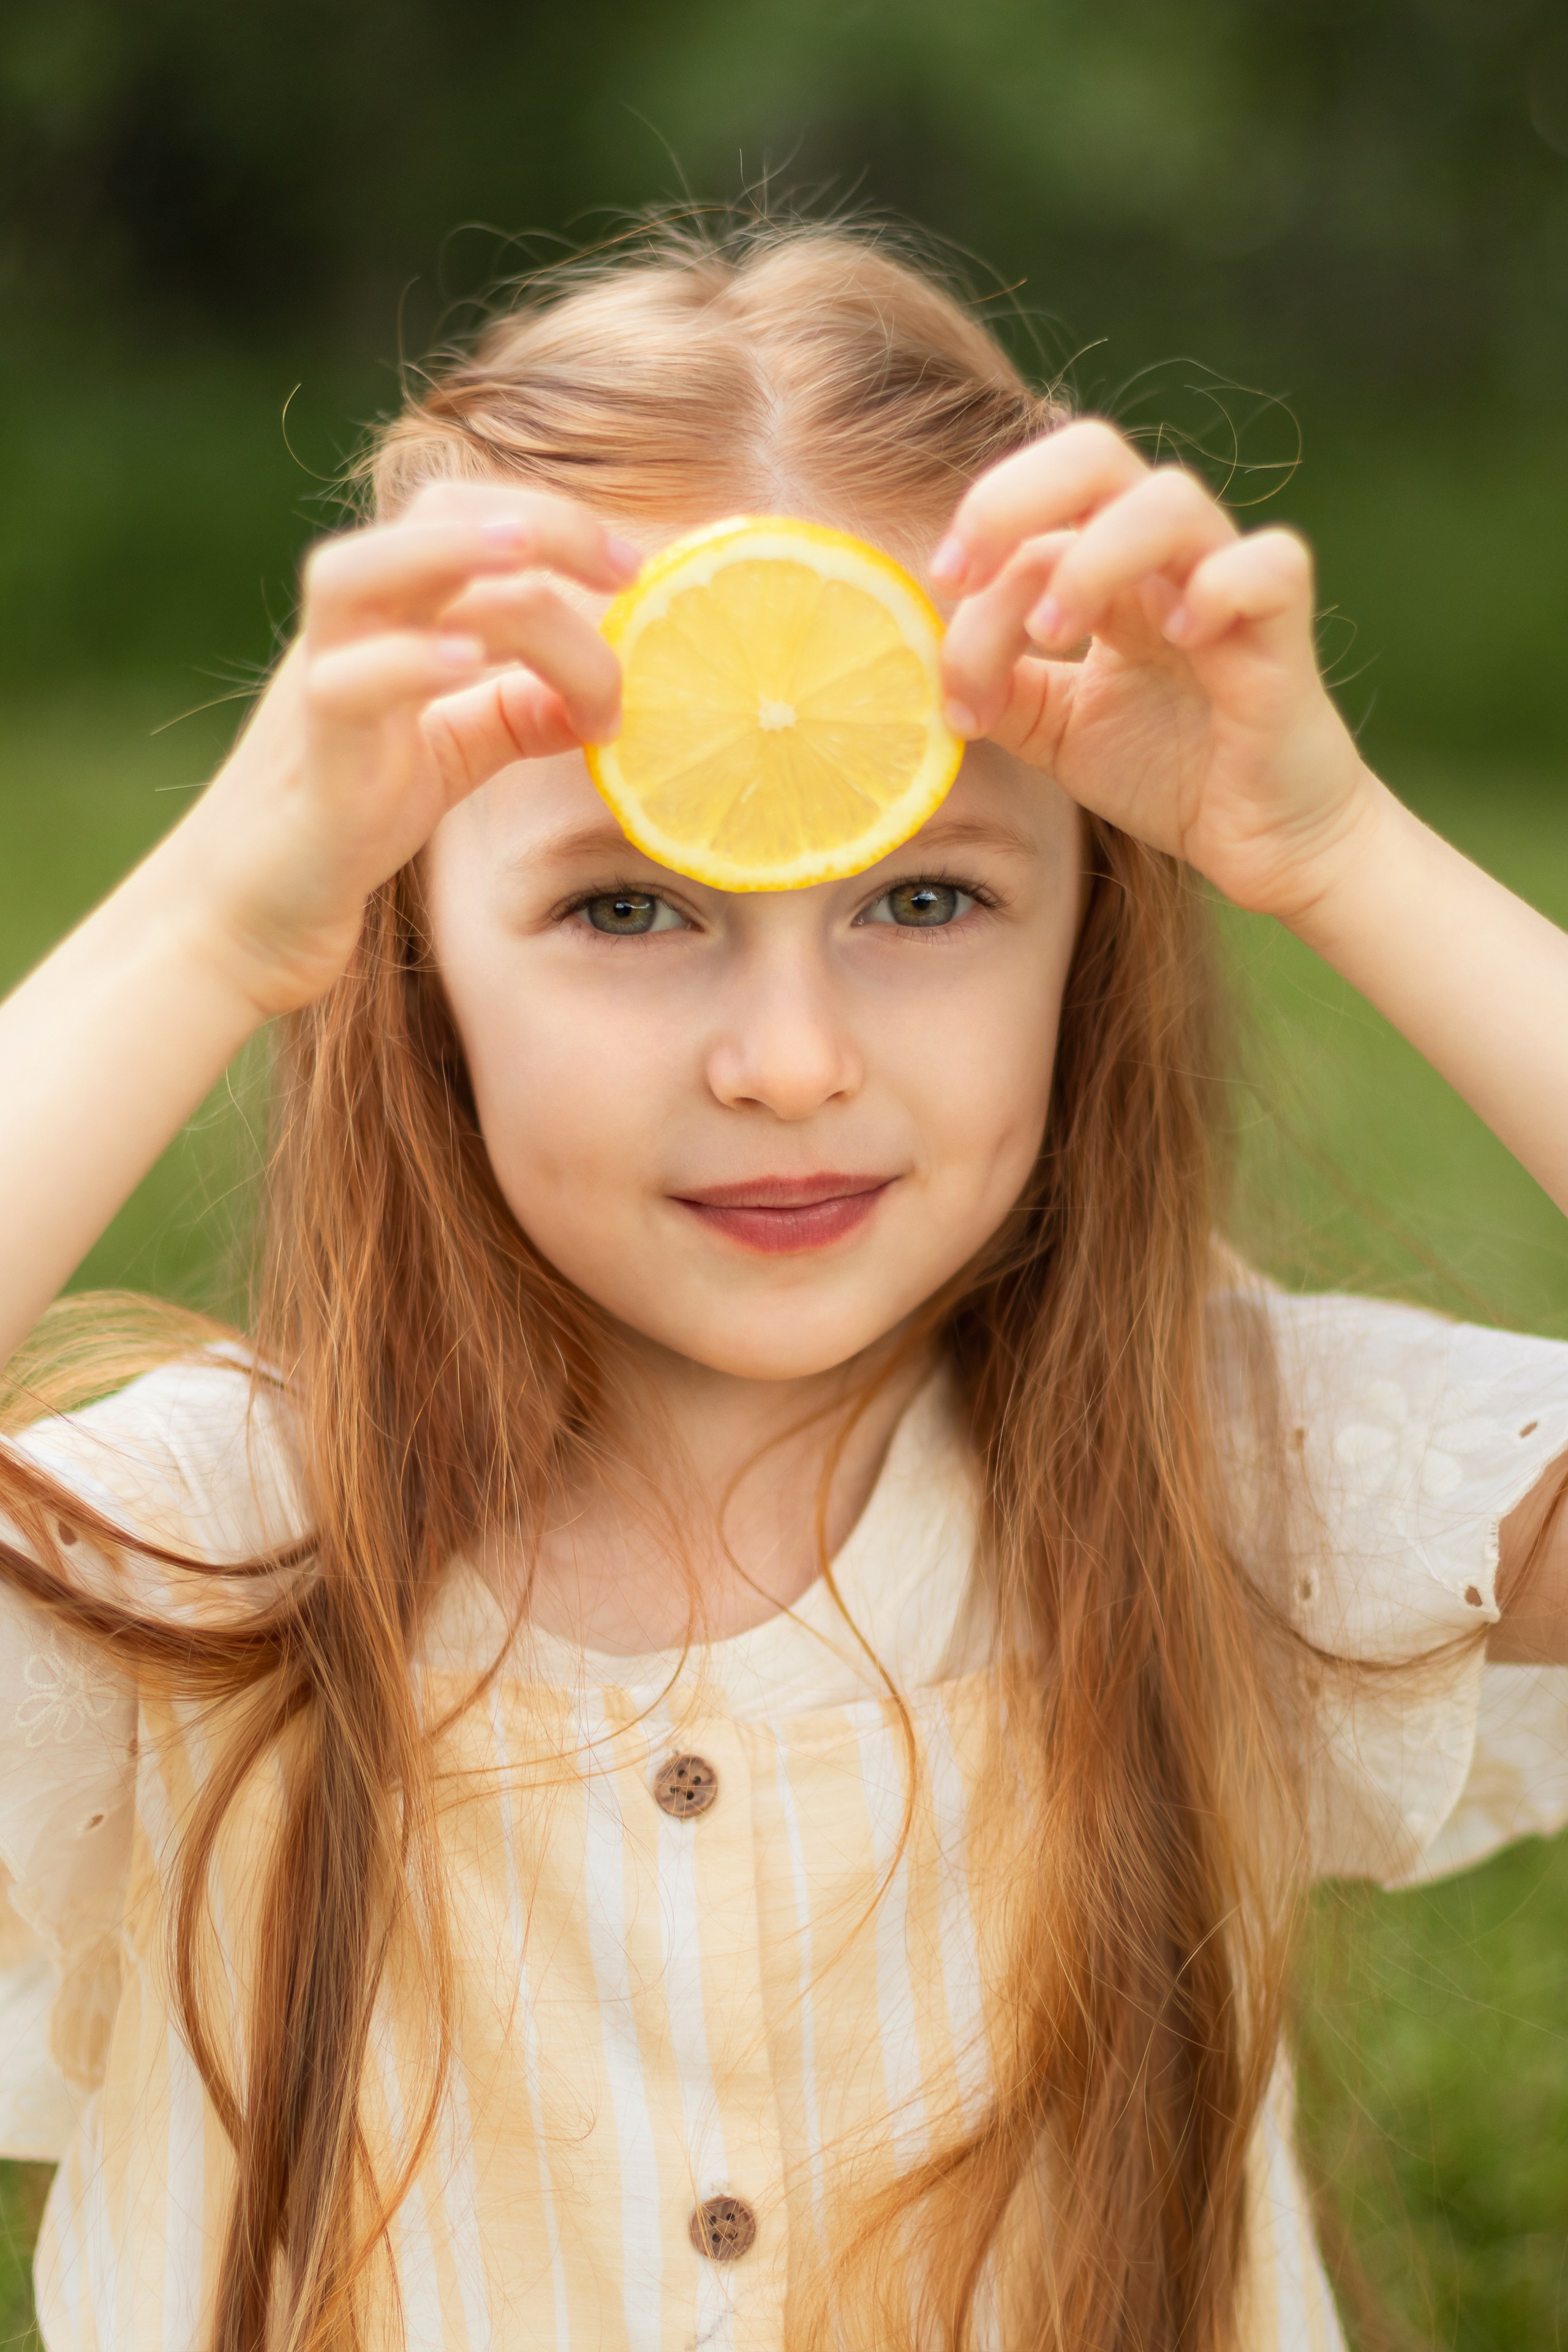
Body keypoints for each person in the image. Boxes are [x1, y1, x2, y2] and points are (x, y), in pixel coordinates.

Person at [0, 222, 1566, 2352]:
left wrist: (1341, 848)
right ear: (404, 947)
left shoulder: (1234, 1478)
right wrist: (193, 930)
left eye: (925, 892)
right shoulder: (203, 1565)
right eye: (630, 908)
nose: (794, 1058)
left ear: (1089, 925)